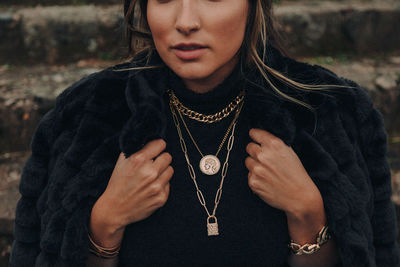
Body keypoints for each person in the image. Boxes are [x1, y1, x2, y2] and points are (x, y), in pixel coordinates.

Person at [9, 0, 400, 266]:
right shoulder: (85, 117)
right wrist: (104, 224)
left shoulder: (331, 113)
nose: (185, 21)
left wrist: (309, 215)